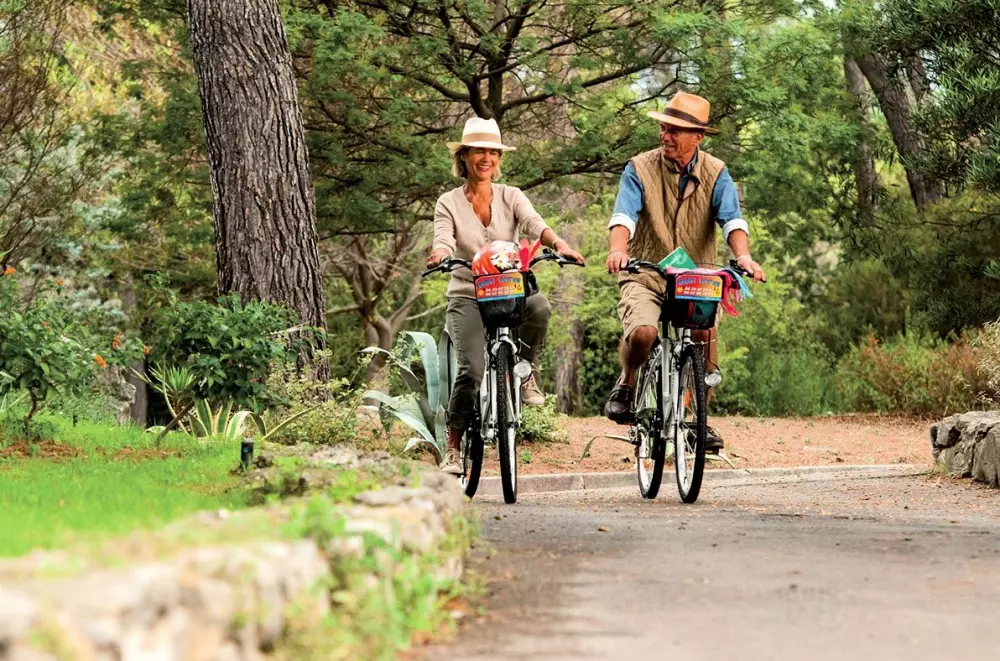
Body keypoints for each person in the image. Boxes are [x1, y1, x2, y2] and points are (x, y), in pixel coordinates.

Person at [604, 91, 766, 453]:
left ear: (699, 137)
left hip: (697, 276)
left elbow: (732, 221)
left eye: (675, 131)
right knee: (644, 333)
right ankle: (628, 381)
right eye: (664, 128)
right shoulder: (639, 167)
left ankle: (696, 417)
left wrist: (744, 257)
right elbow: (623, 216)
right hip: (645, 272)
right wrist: (618, 250)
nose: (666, 136)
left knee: (703, 337)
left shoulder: (716, 171)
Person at [428, 116, 585, 474]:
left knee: (541, 307)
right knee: (471, 370)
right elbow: (443, 238)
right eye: (479, 151)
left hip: (510, 289)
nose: (486, 158)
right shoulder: (448, 202)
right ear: (465, 156)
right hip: (468, 293)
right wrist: (440, 253)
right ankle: (453, 447)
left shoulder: (512, 196)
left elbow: (534, 223)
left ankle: (524, 371)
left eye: (493, 152)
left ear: (498, 160)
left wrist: (559, 244)